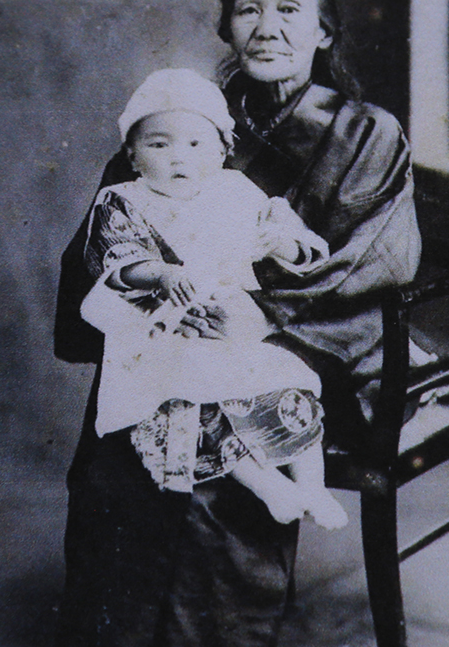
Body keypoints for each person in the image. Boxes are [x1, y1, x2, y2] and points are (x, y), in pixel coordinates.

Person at [50, 0, 421, 647]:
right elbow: (109, 233)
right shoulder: (184, 116)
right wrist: (154, 297)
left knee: (217, 467)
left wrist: (257, 322)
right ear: (226, 25)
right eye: (249, 9)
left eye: (289, 10)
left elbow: (371, 262)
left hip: (303, 350)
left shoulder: (366, 133)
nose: (266, 27)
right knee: (116, 459)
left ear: (324, 31)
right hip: (171, 343)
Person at [81, 67, 347, 530]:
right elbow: (116, 258)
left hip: (229, 329)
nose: (177, 159)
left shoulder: (234, 191)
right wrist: (159, 273)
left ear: (224, 150)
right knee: (195, 406)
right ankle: (270, 487)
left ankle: (312, 486)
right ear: (132, 154)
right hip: (163, 332)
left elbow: (294, 243)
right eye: (158, 144)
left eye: (195, 144)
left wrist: (280, 244)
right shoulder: (123, 199)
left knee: (286, 380)